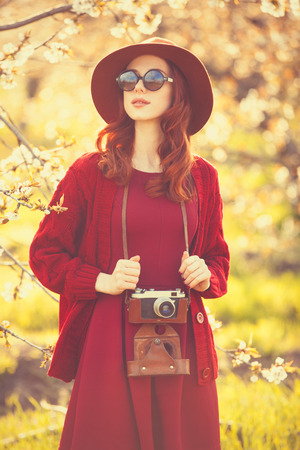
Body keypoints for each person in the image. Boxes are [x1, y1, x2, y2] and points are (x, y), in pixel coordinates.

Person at [29, 37, 229, 450]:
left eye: (154, 78)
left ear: (177, 91)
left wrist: (206, 274)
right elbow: (44, 253)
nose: (139, 88)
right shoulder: (89, 173)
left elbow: (218, 257)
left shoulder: (203, 177)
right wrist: (100, 280)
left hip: (181, 339)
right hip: (109, 336)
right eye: (129, 79)